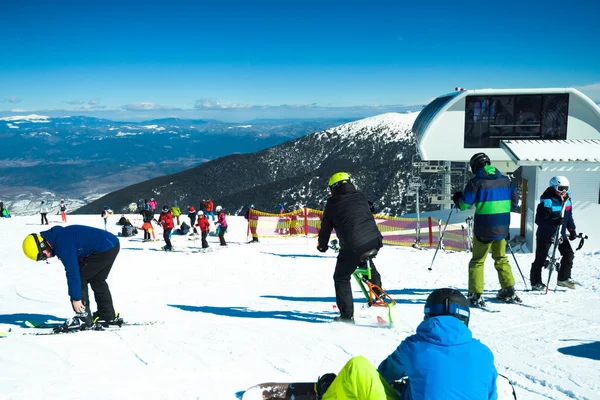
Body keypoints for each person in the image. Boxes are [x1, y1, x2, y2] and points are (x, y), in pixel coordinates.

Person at [316, 288, 498, 400]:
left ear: (428, 316)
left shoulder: (414, 347)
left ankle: (328, 396)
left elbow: (384, 375)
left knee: (357, 367)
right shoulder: (484, 354)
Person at [453, 153, 520, 306]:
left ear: (475, 167)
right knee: (501, 258)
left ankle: (476, 294)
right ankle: (509, 289)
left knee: (477, 261)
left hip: (484, 227)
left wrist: (457, 198)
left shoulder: (476, 182)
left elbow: (464, 204)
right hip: (502, 228)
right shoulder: (505, 181)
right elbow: (515, 203)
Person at [21, 225, 120, 330]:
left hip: (104, 248)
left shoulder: (62, 244)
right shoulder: (59, 237)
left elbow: (73, 273)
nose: (47, 258)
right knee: (97, 280)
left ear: (42, 245)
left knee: (81, 277)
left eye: (43, 255)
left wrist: (76, 299)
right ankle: (107, 315)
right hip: (112, 244)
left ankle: (84, 318)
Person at [317, 172, 384, 322]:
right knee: (364, 260)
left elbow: (325, 228)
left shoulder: (332, 203)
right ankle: (378, 295)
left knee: (341, 277)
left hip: (353, 246)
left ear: (333, 187)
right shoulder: (359, 196)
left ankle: (346, 316)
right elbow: (371, 207)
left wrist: (322, 246)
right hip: (375, 240)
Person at [530, 176, 578, 290]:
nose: (564, 191)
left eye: (566, 188)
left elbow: (568, 217)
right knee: (540, 259)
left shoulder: (568, 201)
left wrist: (572, 230)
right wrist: (554, 221)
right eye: (561, 188)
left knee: (568, 254)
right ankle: (536, 282)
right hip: (546, 234)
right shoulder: (547, 202)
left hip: (560, 235)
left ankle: (563, 279)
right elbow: (539, 220)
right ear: (554, 188)